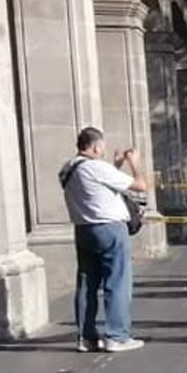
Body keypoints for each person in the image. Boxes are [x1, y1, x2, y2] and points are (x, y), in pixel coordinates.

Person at [59, 126, 149, 353]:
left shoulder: (68, 168)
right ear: (96, 146)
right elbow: (140, 185)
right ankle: (117, 336)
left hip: (84, 229)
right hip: (109, 228)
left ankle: (85, 337)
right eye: (102, 148)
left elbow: (98, 188)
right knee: (117, 282)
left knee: (86, 283)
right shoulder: (96, 167)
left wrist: (115, 165)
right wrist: (134, 162)